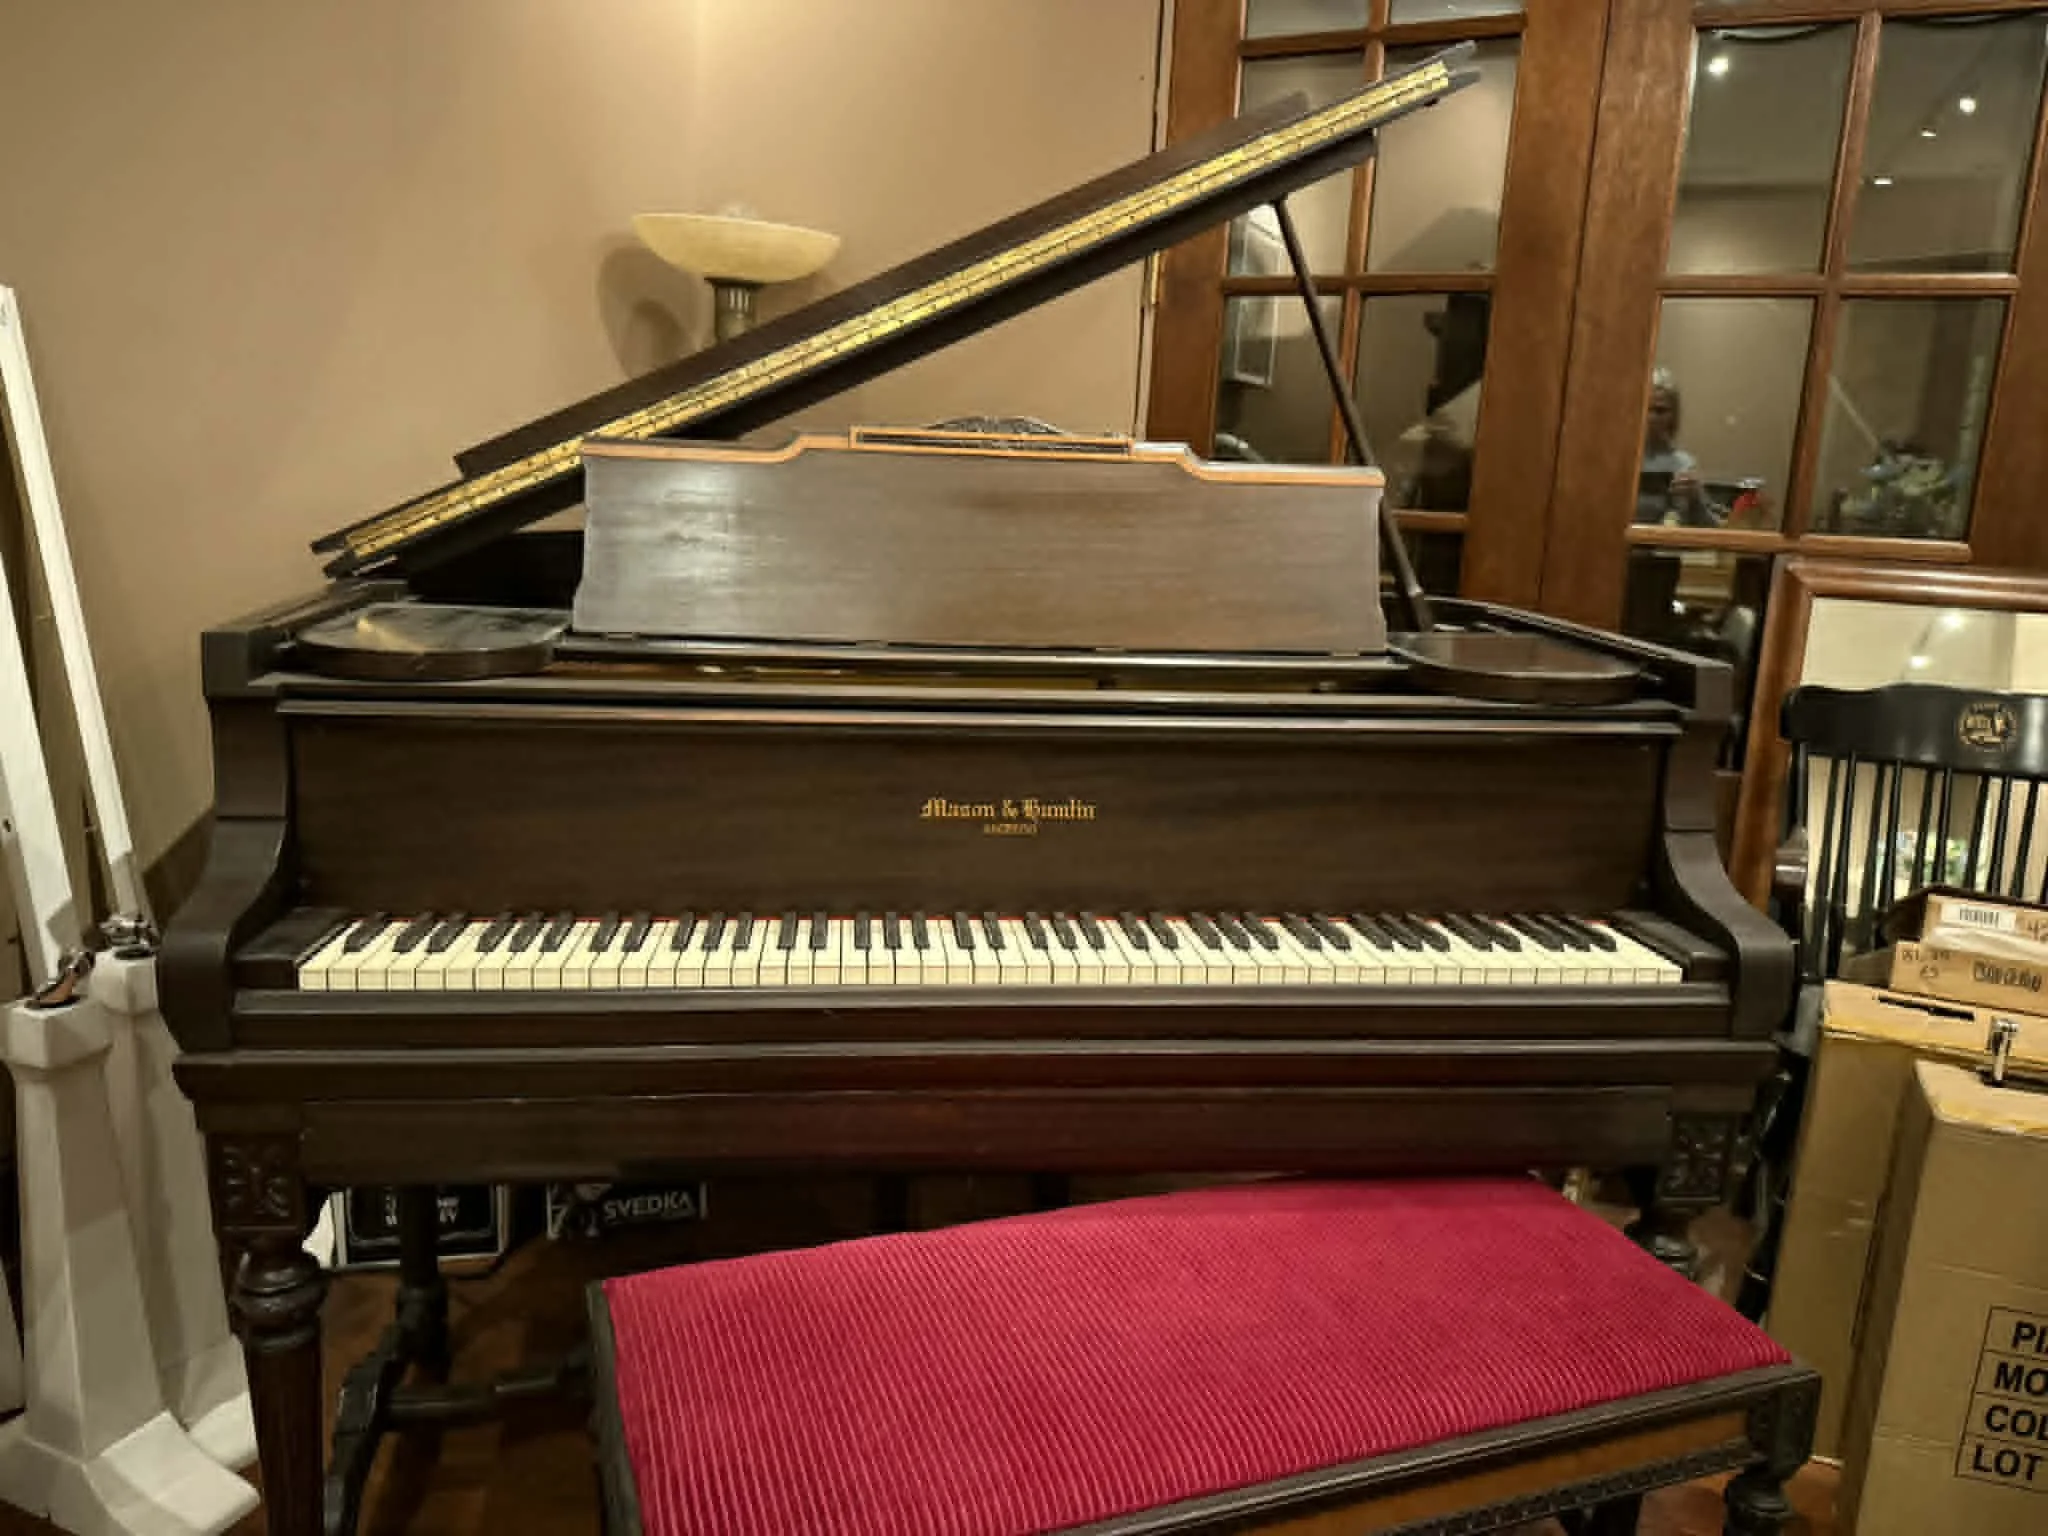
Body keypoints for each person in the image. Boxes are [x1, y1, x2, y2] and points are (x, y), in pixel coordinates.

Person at [1636, 370, 1722, 527]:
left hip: (1667, 548)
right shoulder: (1619, 460)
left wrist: (1695, 500)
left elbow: (1712, 531)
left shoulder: (1684, 465)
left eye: (1660, 411)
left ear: (1673, 416)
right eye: (1645, 408)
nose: (1652, 417)